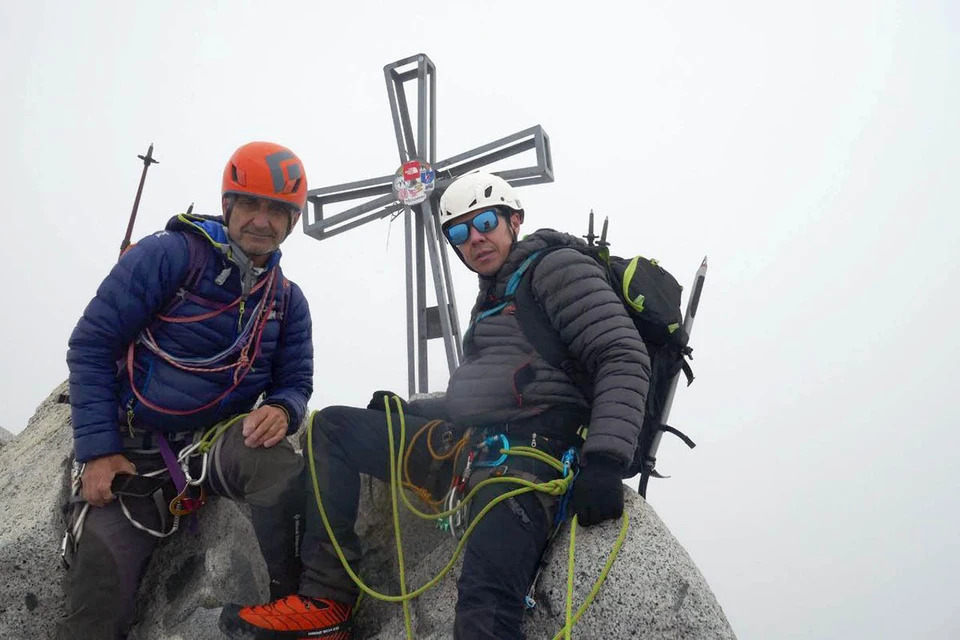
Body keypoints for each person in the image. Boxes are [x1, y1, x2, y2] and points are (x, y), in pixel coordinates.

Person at [219, 172, 650, 640]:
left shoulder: (557, 268)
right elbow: (494, 391)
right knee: (334, 429)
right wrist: (414, 412)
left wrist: (605, 460)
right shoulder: (496, 293)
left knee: (485, 608)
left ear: (515, 220)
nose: (475, 238)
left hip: (528, 461)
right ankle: (326, 603)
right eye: (460, 232)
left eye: (485, 222)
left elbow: (621, 354)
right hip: (469, 446)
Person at [59, 141, 314, 639]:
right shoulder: (170, 256)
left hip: (211, 445)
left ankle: (292, 606)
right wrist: (98, 452)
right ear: (227, 205)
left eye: (278, 210)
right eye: (250, 204)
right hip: (135, 452)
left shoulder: (286, 300)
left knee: (279, 468)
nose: (262, 221)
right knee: (97, 599)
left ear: (293, 221)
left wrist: (285, 409)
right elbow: (91, 344)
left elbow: (295, 381)